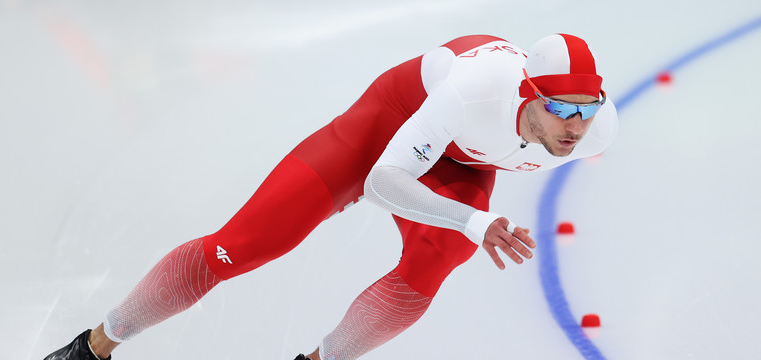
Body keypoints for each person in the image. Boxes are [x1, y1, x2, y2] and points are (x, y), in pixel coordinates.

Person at [44, 33, 618, 360]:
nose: (574, 126)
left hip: (456, 159)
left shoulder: (596, 124)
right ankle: (92, 348)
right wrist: (473, 220)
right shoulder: (470, 94)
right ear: (528, 93)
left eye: (586, 109)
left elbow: (580, 120)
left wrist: (463, 222)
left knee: (435, 262)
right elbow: (382, 182)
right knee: (243, 245)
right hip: (385, 125)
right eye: (561, 108)